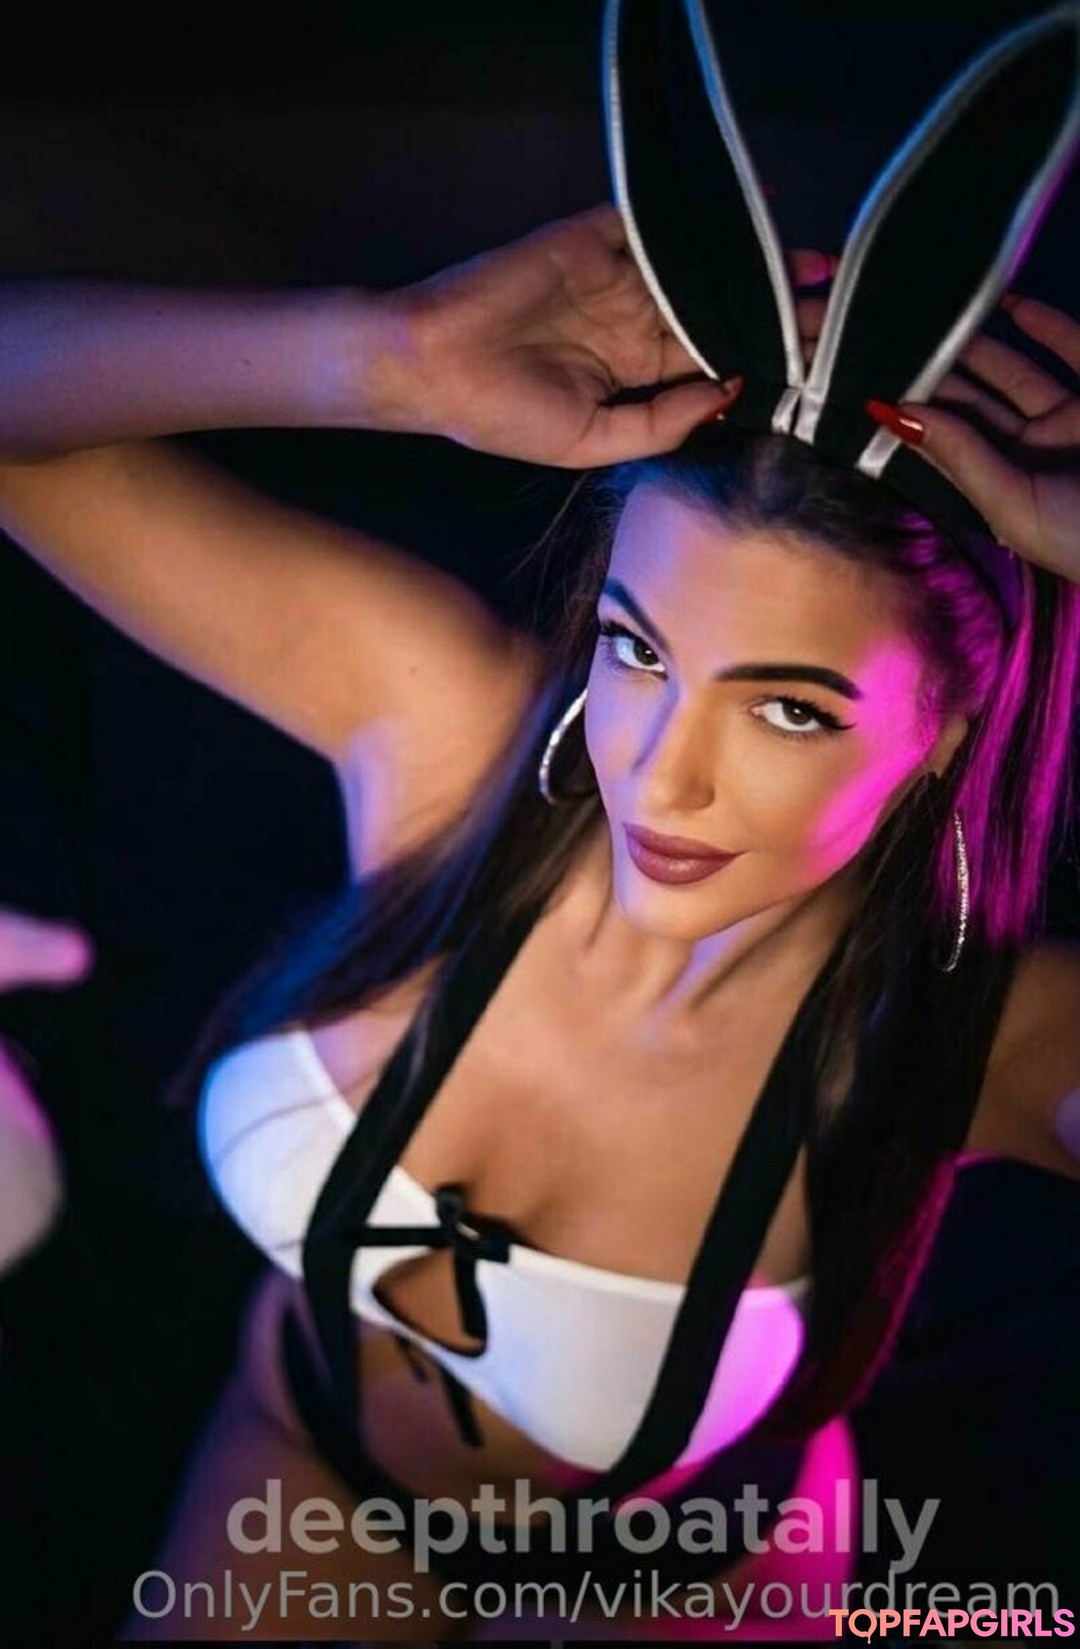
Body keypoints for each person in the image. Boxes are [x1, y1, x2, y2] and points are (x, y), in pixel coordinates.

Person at [0, 28, 1077, 1648]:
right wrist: (392, 357)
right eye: (638, 648)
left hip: (677, 1575)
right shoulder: (449, 736)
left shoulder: (981, 1035)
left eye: (790, 709)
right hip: (305, 1462)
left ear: (943, 737)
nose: (662, 774)